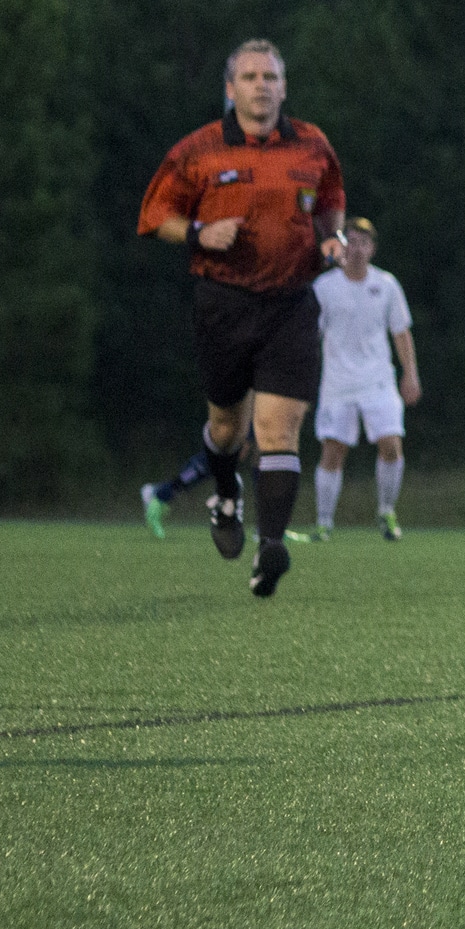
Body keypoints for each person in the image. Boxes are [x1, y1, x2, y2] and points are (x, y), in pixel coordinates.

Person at [135, 39, 346, 598]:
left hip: (291, 304)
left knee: (278, 430)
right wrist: (201, 232)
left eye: (271, 76)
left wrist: (331, 239)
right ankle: (224, 494)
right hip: (223, 303)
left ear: (284, 85)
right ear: (231, 89)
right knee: (227, 427)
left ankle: (270, 546)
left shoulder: (312, 143)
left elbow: (329, 203)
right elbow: (156, 217)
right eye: (250, 77)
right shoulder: (199, 150)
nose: (262, 86)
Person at [311, 217, 419, 540]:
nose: (356, 249)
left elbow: (401, 333)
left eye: (363, 243)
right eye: (352, 242)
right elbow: (309, 337)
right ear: (341, 247)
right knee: (333, 450)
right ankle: (323, 523)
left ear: (372, 249)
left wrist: (410, 374)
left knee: (391, 445)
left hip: (378, 381)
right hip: (338, 382)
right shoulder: (324, 287)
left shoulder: (386, 285)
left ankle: (386, 511)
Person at [141, 393, 257, 537]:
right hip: (209, 457)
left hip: (218, 457)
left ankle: (156, 493)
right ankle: (157, 497)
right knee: (187, 479)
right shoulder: (247, 411)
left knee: (190, 481)